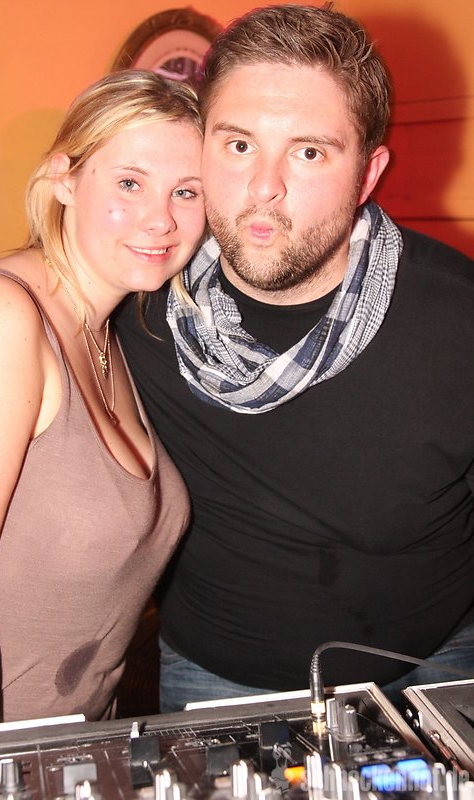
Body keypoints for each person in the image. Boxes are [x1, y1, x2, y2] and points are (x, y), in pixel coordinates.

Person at [115, 5, 474, 713]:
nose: (264, 187)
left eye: (308, 152)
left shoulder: (457, 319)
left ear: (366, 174)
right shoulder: (139, 299)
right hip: (209, 680)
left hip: (430, 671)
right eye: (238, 144)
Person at [0, 70, 206, 728]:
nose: (161, 218)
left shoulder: (114, 333)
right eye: (129, 183)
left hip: (81, 746)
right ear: (64, 178)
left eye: (187, 191)